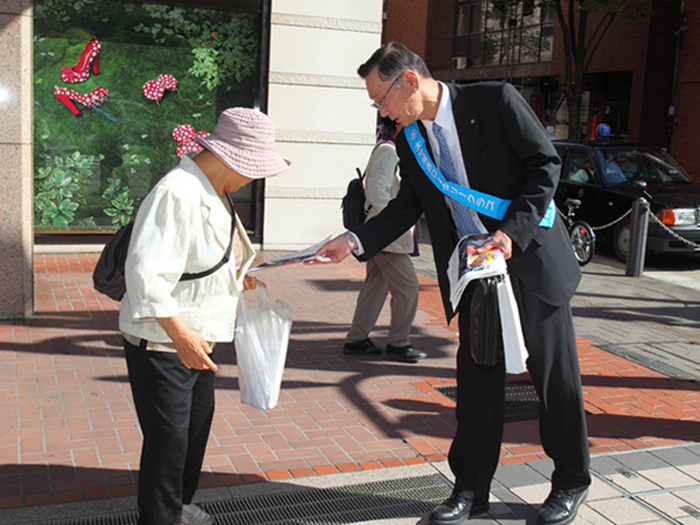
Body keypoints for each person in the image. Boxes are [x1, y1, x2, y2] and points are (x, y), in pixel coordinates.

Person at [308, 43, 590, 525]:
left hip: (529, 260)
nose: (382, 111)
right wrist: (354, 239)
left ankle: (569, 481)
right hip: (474, 273)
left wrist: (510, 233)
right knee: (477, 385)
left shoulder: (495, 101)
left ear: (410, 81)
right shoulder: (411, 140)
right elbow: (408, 205)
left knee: (553, 378)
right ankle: (470, 491)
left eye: (381, 98)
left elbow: (544, 166)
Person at [120, 107, 290, 525]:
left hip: (198, 336)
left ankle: (179, 505)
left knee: (194, 428)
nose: (252, 179)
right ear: (229, 158)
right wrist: (180, 336)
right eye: (252, 170)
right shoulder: (177, 191)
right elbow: (145, 273)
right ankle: (160, 517)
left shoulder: (212, 189)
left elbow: (200, 259)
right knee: (168, 441)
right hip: (164, 340)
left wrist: (236, 279)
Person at [343, 116, 425, 363]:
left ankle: (356, 339)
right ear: (398, 125)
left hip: (381, 235)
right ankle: (399, 343)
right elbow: (377, 193)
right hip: (386, 237)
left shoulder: (387, 148)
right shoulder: (388, 151)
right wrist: (394, 221)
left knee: (375, 288)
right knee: (408, 287)